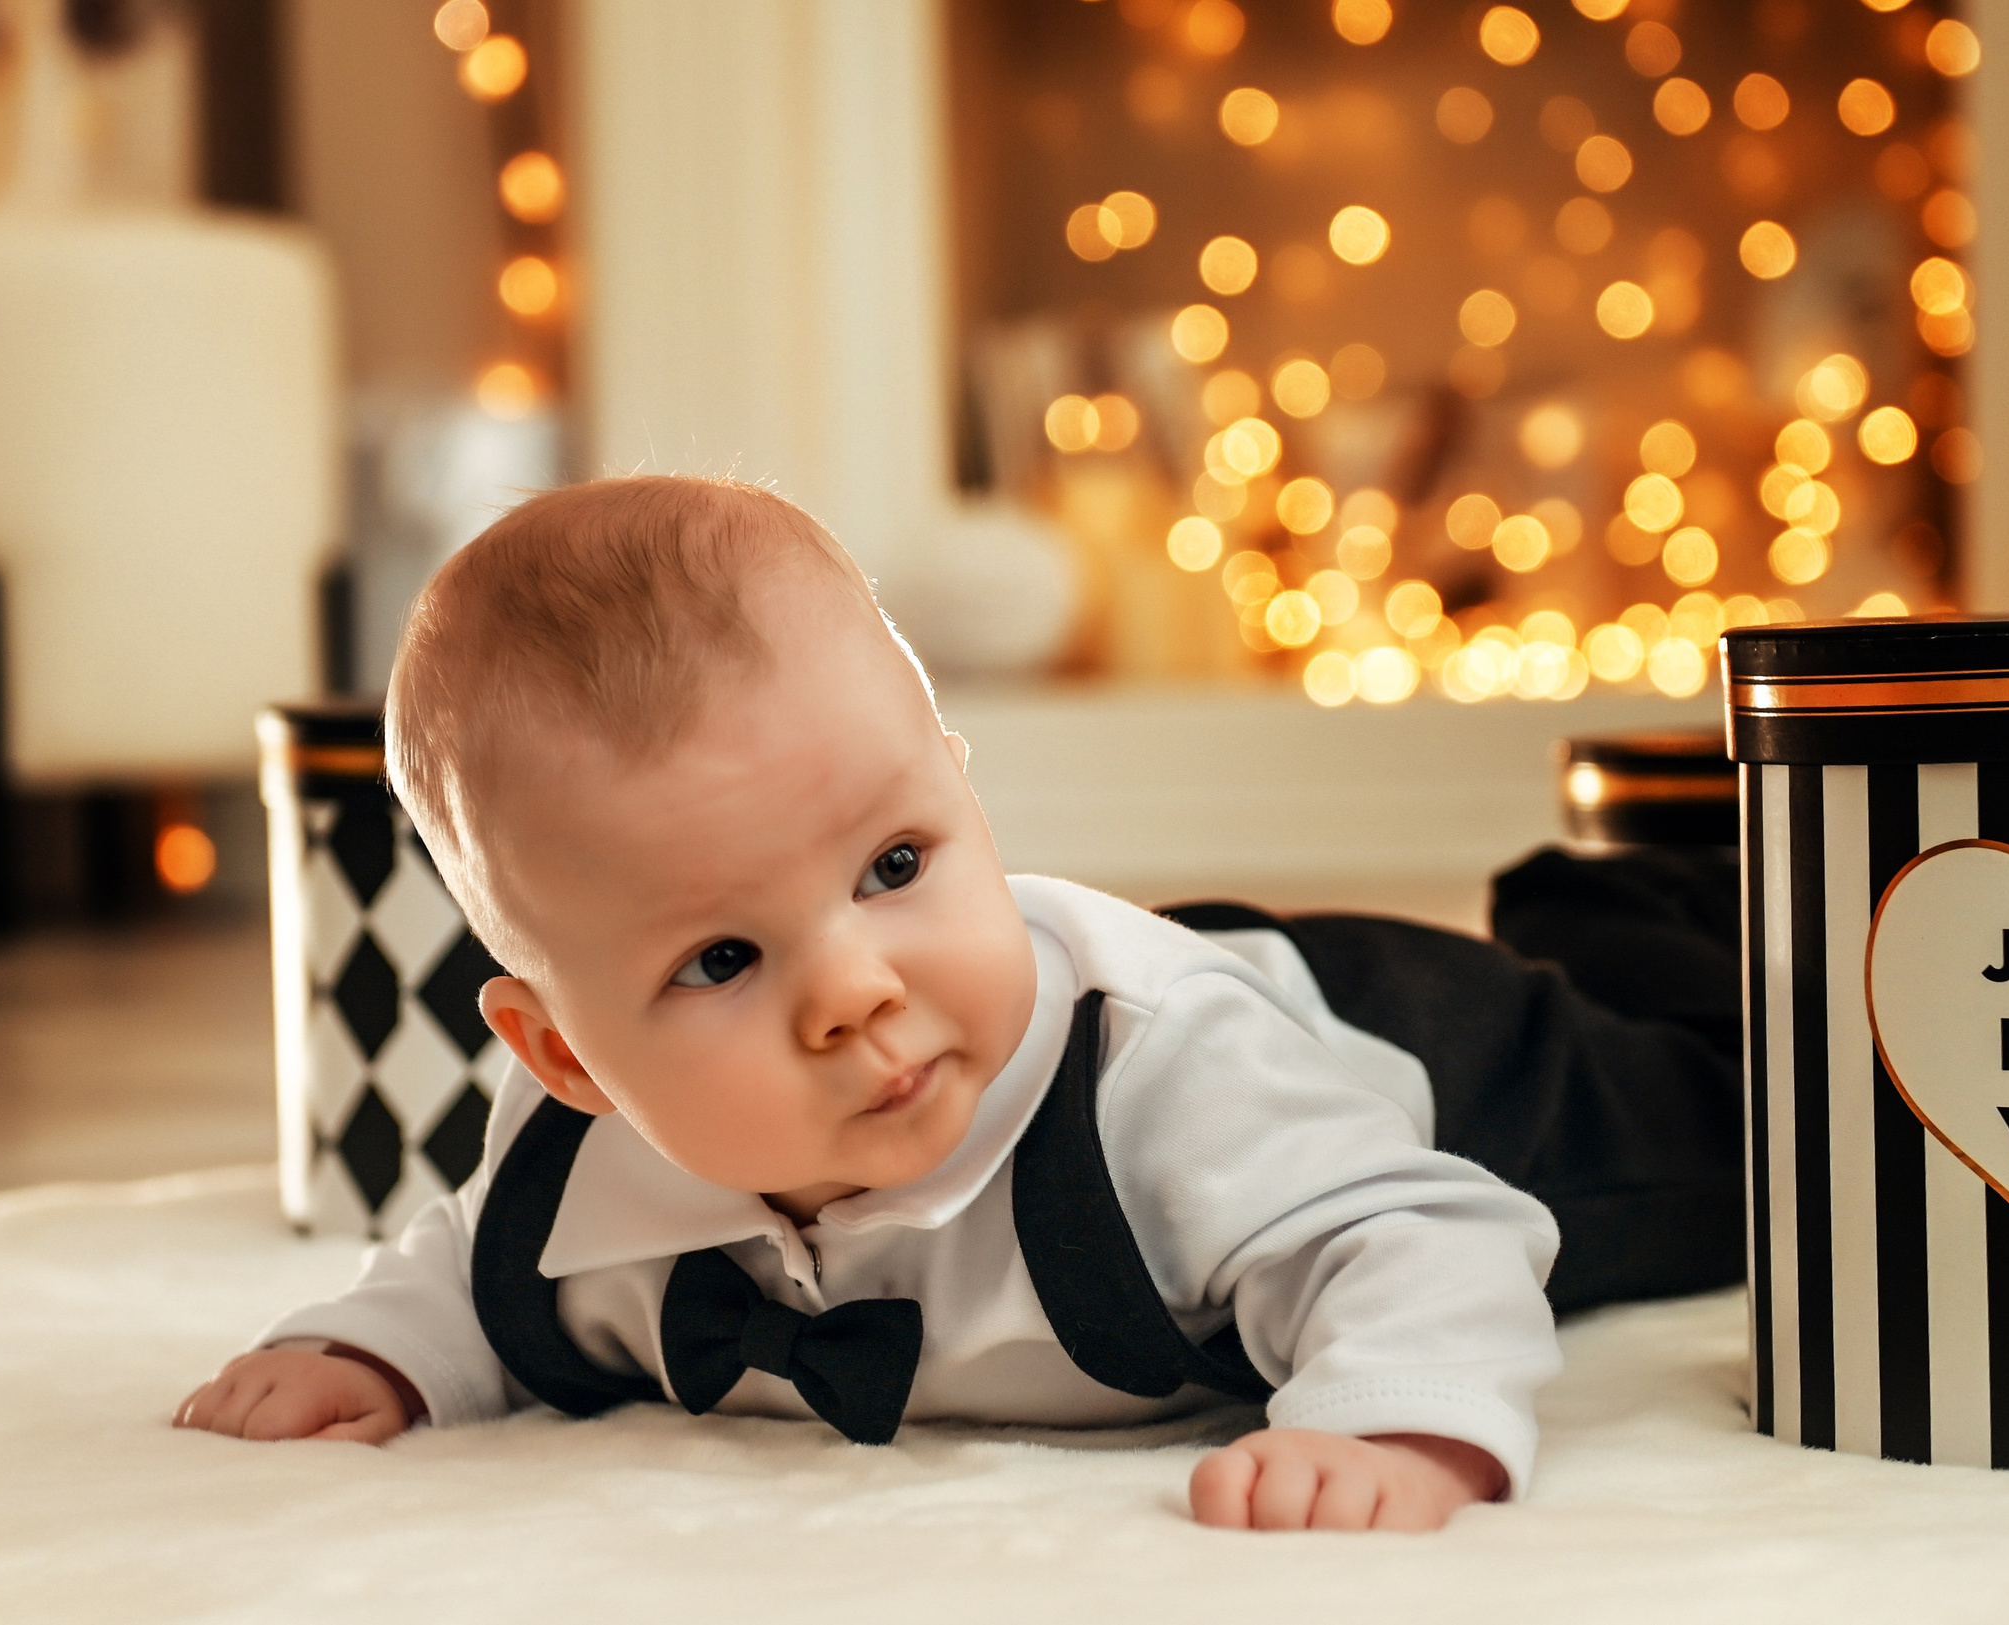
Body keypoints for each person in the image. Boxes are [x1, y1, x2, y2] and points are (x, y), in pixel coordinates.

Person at [174, 478, 1745, 1532]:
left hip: (1417, 1053)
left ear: (967, 799)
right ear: (567, 1054)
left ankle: (1649, 898)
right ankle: (1608, 906)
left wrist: (1393, 1422)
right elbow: (464, 1267)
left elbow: (1426, 1233)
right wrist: (366, 1352)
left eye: (897, 861)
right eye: (722, 960)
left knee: (1739, 1115)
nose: (856, 988)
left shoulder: (1179, 1090)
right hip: (1154, 1007)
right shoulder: (565, 1164)